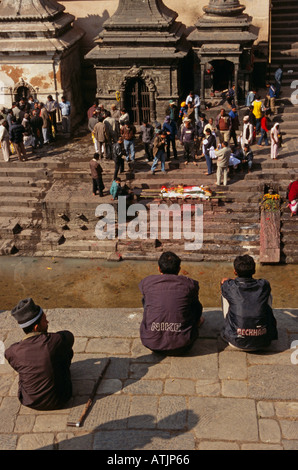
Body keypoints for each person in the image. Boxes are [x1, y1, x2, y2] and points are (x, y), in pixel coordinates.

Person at [5, 298, 74, 410]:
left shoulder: (12, 351)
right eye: (44, 320)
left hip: (29, 401)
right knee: (65, 350)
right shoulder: (55, 340)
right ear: (36, 327)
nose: (47, 322)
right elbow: (69, 336)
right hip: (61, 398)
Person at [139, 251, 203, 355]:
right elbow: (196, 308)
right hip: (184, 345)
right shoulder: (189, 284)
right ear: (179, 269)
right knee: (194, 303)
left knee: (147, 300)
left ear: (159, 268)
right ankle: (197, 322)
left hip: (152, 343)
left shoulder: (147, 282)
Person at [220, 255, 278, 351]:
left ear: (235, 272)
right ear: (254, 271)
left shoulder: (229, 286)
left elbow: (224, 284)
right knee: (267, 295)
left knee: (225, 294)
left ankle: (231, 326)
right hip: (264, 341)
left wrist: (230, 281)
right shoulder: (264, 285)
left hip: (236, 342)